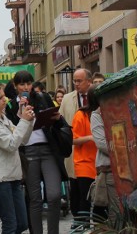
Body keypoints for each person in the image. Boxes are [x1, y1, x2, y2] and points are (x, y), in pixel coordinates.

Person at [0, 84, 35, 234]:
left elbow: (23, 140)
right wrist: (23, 121)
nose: (5, 99)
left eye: (4, 96)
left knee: (22, 223)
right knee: (10, 225)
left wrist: (28, 121)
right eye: (1, 97)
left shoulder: (3, 118)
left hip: (13, 176)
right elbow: (11, 144)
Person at [18, 71, 69, 234]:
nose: (25, 87)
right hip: (28, 152)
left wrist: (56, 118)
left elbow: (59, 119)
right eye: (21, 84)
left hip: (48, 149)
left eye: (28, 83)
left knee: (54, 195)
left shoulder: (43, 97)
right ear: (15, 86)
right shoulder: (12, 105)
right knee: (35, 199)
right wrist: (21, 113)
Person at [59, 68, 93, 220]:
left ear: (88, 81)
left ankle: (86, 221)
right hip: (73, 152)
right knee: (76, 191)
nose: (76, 84)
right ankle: (78, 218)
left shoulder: (96, 97)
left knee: (89, 194)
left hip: (92, 156)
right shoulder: (67, 99)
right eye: (74, 81)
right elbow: (60, 121)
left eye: (79, 81)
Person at [90, 91, 119, 224]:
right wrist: (123, 151)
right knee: (114, 212)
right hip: (109, 167)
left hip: (123, 167)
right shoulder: (96, 115)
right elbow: (101, 143)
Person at [71, 87, 97, 221]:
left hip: (100, 165)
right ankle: (81, 227)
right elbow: (73, 140)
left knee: (100, 204)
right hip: (85, 165)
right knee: (85, 202)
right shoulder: (80, 115)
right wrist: (90, 138)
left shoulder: (102, 113)